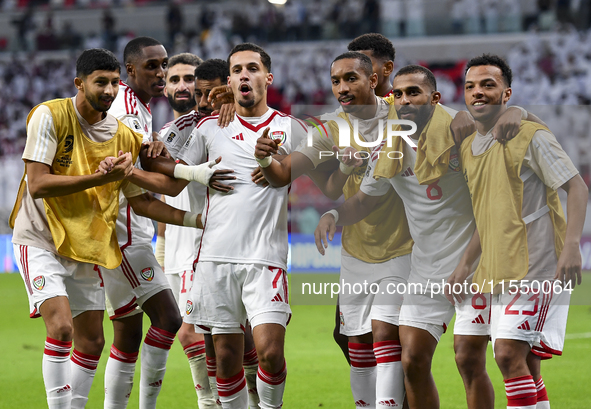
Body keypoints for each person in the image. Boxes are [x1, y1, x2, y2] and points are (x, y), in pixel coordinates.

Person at [125, 42, 308, 409]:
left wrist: (271, 161)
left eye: (252, 68)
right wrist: (131, 171)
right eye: (237, 69)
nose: (245, 75)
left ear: (267, 77)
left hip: (265, 260)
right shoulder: (209, 129)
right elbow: (175, 182)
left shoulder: (291, 128)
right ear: (230, 79)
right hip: (213, 259)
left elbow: (291, 177)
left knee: (270, 353)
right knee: (224, 359)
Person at [257, 51, 413, 409]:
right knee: (357, 341)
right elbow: (283, 174)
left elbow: (442, 112)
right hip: (357, 250)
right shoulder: (327, 129)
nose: (342, 87)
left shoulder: (401, 112)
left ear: (373, 80)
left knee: (386, 333)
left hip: (406, 247)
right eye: (335, 81)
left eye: (351, 79)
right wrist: (265, 157)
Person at [9, 48, 139, 409]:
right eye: (101, 82)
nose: (110, 90)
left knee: (93, 342)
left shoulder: (122, 134)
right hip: (39, 238)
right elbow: (36, 184)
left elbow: (143, 182)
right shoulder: (50, 115)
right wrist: (96, 178)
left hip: (84, 244)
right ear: (79, 83)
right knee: (62, 330)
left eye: (115, 83)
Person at [456, 54, 588, 409]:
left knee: (507, 354)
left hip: (537, 265)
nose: (478, 92)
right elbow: (491, 217)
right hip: (495, 268)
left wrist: (573, 245)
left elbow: (577, 187)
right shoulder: (469, 148)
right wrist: (465, 264)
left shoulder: (530, 135)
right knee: (523, 363)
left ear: (507, 92)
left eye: (488, 85)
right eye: (470, 86)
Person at [100, 36, 182, 409]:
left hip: (120, 230)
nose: (161, 73)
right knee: (168, 318)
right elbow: (127, 173)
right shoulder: (126, 110)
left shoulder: (140, 109)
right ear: (129, 70)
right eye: (152, 66)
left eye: (163, 64)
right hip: (123, 233)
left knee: (128, 335)